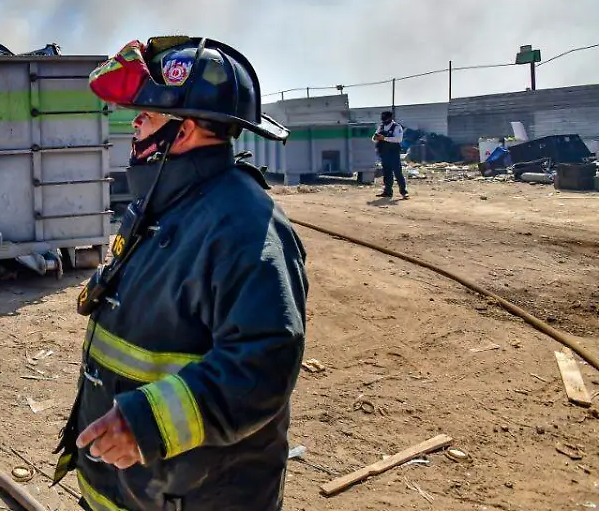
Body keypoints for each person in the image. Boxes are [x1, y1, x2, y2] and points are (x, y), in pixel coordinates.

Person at [51, 36, 310, 511]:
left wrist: (146, 423)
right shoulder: (164, 202)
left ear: (184, 130)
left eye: (147, 116)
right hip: (134, 487)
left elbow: (264, 364)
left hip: (197, 495)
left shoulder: (245, 225)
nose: (135, 126)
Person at [372, 110, 408, 199]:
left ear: (390, 118)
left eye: (385, 119)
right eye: (383, 119)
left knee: (398, 172)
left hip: (393, 153)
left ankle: (403, 192)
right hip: (384, 153)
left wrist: (384, 138)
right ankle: (387, 191)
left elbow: (398, 139)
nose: (384, 121)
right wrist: (376, 138)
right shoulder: (381, 127)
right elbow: (374, 138)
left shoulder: (396, 127)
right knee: (387, 173)